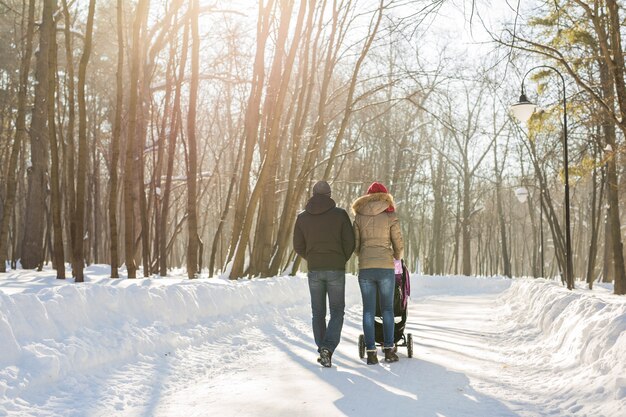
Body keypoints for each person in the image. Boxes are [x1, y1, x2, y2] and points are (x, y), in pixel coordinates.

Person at [293, 180, 355, 368]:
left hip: (315, 269)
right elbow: (350, 242)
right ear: (329, 195)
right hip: (335, 268)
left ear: (313, 194)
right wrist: (340, 258)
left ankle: (322, 349)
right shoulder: (340, 215)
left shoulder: (302, 217)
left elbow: (298, 246)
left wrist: (312, 258)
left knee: (317, 312)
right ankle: (327, 348)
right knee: (337, 311)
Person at [352, 181, 404, 364]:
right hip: (385, 267)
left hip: (366, 267)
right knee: (388, 309)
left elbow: (356, 245)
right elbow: (398, 242)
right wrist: (397, 256)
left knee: (368, 310)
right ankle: (389, 350)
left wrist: (364, 254)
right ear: (385, 196)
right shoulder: (390, 215)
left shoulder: (359, 216)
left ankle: (371, 352)